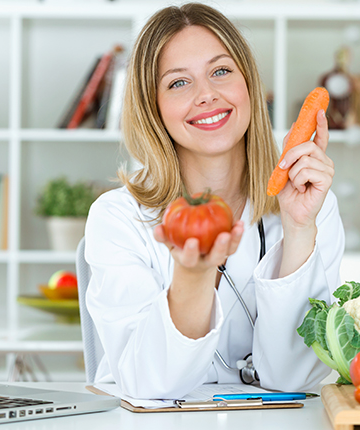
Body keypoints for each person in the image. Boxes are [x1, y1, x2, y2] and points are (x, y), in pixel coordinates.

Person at [85, 2, 344, 399]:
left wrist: (297, 229)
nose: (207, 95)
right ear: (153, 108)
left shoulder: (312, 203)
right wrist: (191, 275)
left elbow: (294, 381)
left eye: (221, 71)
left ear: (249, 84)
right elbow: (150, 385)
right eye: (178, 83)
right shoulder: (119, 218)